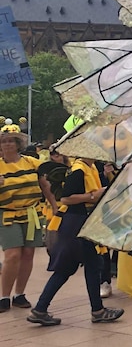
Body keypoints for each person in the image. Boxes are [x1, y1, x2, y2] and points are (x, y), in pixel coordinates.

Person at [26, 157, 123, 325]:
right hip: (77, 223)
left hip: (80, 222)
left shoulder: (89, 168)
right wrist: (94, 194)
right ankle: (97, 311)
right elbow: (66, 198)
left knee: (69, 268)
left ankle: (40, 309)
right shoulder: (79, 170)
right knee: (91, 265)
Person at [0, 125, 59, 313]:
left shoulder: (32, 163)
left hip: (32, 213)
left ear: (18, 144)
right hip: (8, 214)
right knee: (12, 255)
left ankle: (20, 294)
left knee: (28, 254)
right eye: (4, 141)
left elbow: (45, 186)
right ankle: (4, 296)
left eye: (11, 140)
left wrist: (55, 206)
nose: (8, 144)